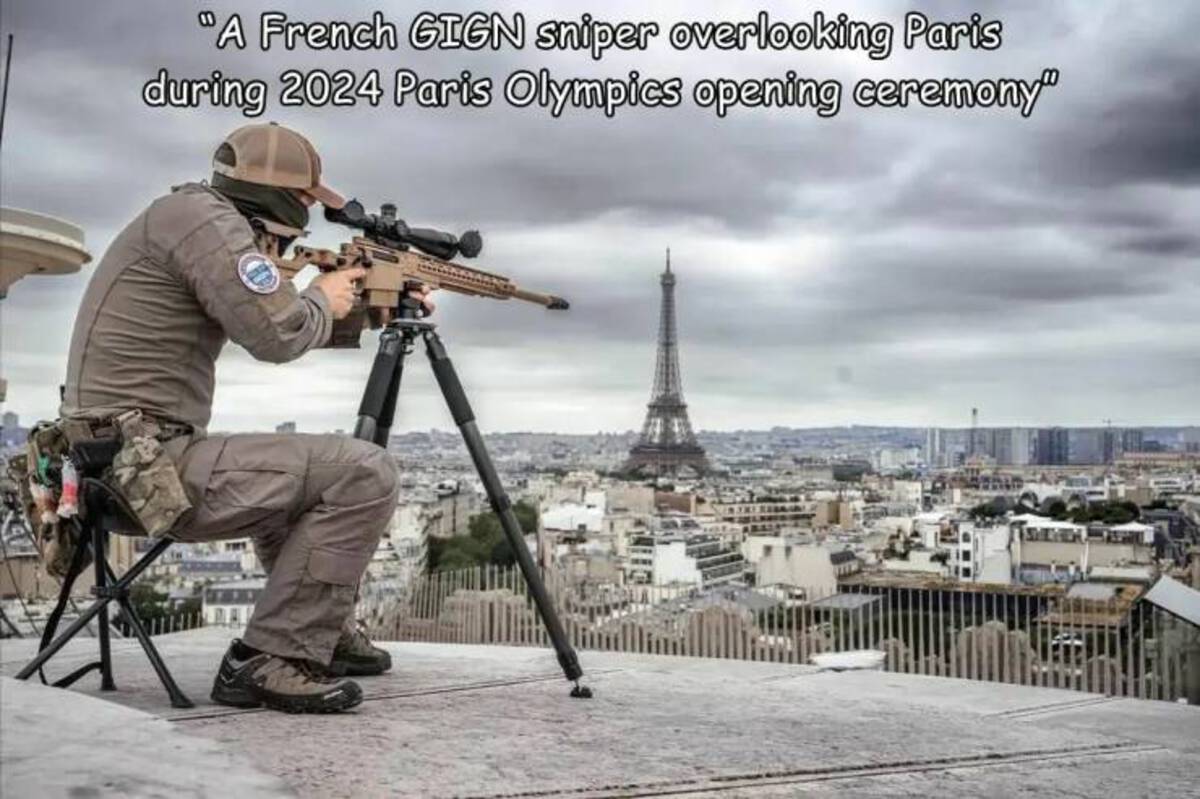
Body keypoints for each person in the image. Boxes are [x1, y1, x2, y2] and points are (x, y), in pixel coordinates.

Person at [59, 122, 431, 713]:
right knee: (366, 472)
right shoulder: (207, 224)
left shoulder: (185, 216)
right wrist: (321, 293)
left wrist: (362, 310)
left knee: (308, 478)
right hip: (144, 471)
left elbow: (266, 317)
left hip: (112, 467)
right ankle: (268, 658)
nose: (307, 215)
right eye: (306, 201)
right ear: (281, 197)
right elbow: (277, 333)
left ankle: (319, 634)